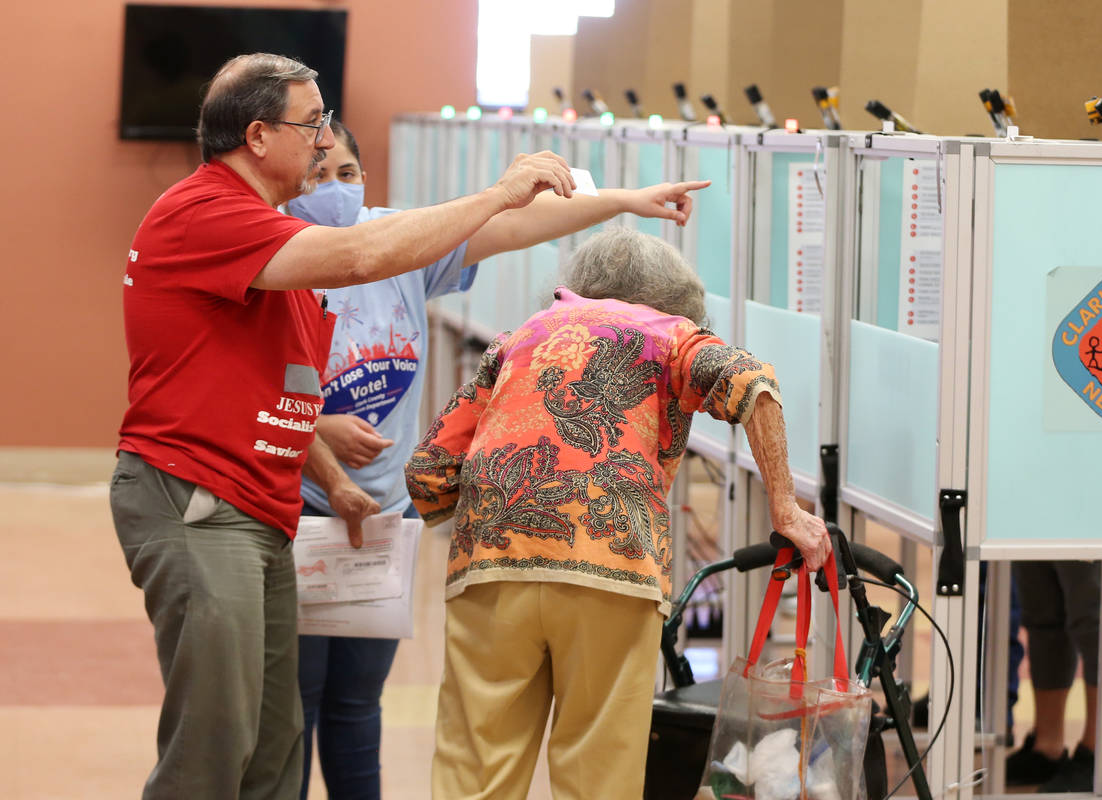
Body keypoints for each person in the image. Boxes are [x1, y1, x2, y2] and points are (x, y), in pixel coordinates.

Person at [109, 51, 586, 800]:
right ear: (260, 136)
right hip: (200, 501)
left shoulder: (267, 232)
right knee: (215, 740)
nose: (326, 141)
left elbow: (279, 389)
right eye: (313, 123)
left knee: (272, 744)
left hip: (259, 506)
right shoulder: (209, 213)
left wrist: (328, 469)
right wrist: (497, 195)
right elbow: (363, 254)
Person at [286, 120, 710, 800]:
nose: (333, 189)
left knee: (359, 702)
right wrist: (321, 440)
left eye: (345, 173)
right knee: (295, 701)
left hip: (381, 515)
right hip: (298, 504)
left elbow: (516, 225)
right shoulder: (281, 254)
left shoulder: (398, 244)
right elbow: (255, 389)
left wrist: (628, 200)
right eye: (315, 176)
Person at [404, 228, 833, 800]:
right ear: (674, 298)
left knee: (474, 769)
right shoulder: (672, 335)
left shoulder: (519, 339)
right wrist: (785, 507)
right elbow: (754, 384)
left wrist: (488, 512)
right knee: (597, 774)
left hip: (492, 565)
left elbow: (428, 469)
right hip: (613, 568)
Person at [1005, 562, 1102, 793]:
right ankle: (1047, 747)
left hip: (1091, 527)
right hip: (1030, 526)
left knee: (1098, 618)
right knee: (1043, 614)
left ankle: (1095, 757)